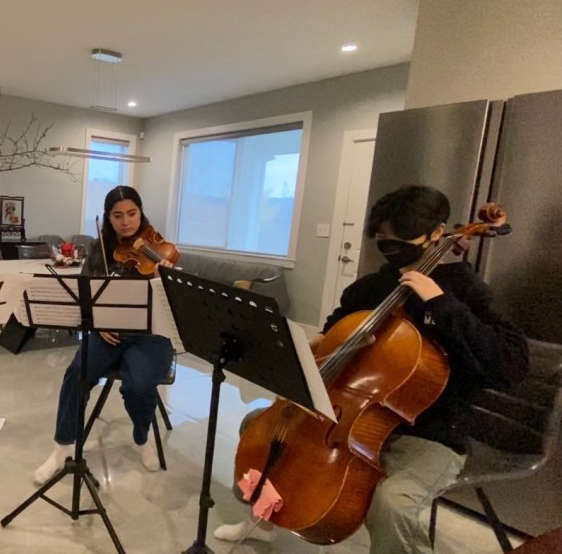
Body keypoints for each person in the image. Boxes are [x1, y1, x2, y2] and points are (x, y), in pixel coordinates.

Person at [213, 185, 528, 553]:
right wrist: (307, 344)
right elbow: (332, 330)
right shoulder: (373, 286)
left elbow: (510, 363)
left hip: (430, 432)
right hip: (351, 416)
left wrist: (441, 303)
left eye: (401, 240)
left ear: (438, 233)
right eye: (383, 240)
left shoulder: (465, 290)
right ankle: (264, 522)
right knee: (260, 426)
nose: (391, 250)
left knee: (393, 503)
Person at [33, 185, 175, 485]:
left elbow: (174, 305)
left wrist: (166, 278)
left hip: (150, 335)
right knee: (77, 373)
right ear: (108, 218)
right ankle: (61, 448)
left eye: (132, 213)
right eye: (117, 215)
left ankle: (142, 438)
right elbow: (86, 293)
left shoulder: (158, 247)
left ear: (141, 212)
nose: (126, 222)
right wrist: (99, 322)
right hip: (108, 332)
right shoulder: (100, 248)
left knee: (138, 385)